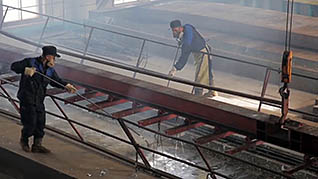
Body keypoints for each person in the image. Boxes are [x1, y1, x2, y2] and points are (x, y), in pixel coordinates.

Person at [11, 45, 77, 153]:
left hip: (39, 99)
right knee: (30, 122)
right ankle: (24, 140)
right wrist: (25, 70)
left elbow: (56, 80)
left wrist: (67, 86)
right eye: (53, 57)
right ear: (47, 56)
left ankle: (37, 145)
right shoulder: (30, 62)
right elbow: (14, 66)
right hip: (27, 98)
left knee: (40, 123)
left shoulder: (50, 70)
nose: (54, 60)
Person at [168, 20, 217, 97]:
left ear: (180, 28)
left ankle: (198, 96)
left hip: (202, 53)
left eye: (175, 30)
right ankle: (212, 91)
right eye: (173, 31)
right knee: (206, 72)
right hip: (199, 52)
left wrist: (175, 68)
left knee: (200, 75)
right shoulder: (187, 28)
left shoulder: (187, 37)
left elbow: (184, 55)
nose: (174, 33)